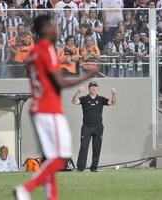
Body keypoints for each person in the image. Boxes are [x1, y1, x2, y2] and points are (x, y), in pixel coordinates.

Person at [13, 14, 99, 200]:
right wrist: (89, 75)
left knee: (51, 159)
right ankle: (26, 188)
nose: (57, 30)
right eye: (53, 26)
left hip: (37, 108)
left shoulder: (33, 53)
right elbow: (59, 83)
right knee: (62, 157)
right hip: (49, 109)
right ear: (45, 30)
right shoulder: (47, 48)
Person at [72, 81, 116, 172]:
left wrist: (113, 94)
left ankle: (94, 167)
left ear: (97, 88)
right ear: (89, 88)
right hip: (86, 127)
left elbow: (112, 103)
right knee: (84, 147)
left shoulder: (101, 99)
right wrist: (78, 92)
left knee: (97, 148)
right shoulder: (84, 99)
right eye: (91, 86)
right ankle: (80, 167)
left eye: (95, 86)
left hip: (98, 127)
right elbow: (74, 101)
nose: (93, 88)